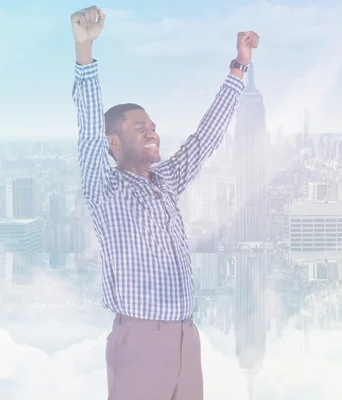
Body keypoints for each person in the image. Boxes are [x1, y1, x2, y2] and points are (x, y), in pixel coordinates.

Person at [70, 5, 259, 400]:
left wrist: (238, 70)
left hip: (186, 339)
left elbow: (205, 138)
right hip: (140, 340)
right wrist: (84, 53)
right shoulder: (106, 189)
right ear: (115, 143)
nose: (152, 133)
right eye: (140, 128)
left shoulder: (166, 180)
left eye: (153, 126)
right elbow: (88, 132)